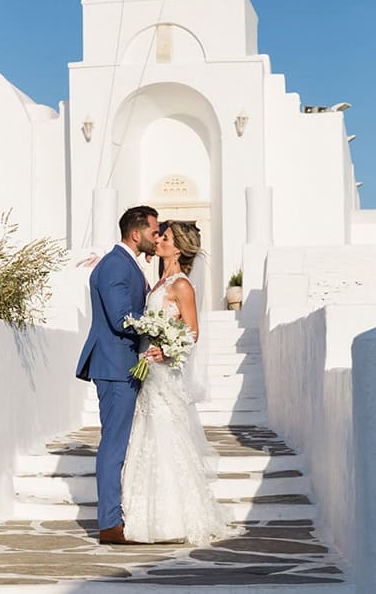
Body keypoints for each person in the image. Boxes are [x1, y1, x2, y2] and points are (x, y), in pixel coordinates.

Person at [121, 220, 228, 545]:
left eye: (164, 238)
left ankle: (172, 519)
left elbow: (193, 333)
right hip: (148, 371)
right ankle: (145, 516)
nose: (158, 241)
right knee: (147, 436)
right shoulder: (158, 283)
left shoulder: (181, 285)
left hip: (164, 371)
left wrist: (166, 351)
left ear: (177, 247)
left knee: (166, 436)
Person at [76, 205, 161, 545]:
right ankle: (110, 524)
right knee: (114, 445)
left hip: (123, 363)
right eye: (154, 232)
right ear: (136, 233)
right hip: (114, 366)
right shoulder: (114, 264)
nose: (157, 238)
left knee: (121, 442)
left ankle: (118, 515)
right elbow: (121, 317)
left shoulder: (123, 263)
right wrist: (158, 329)